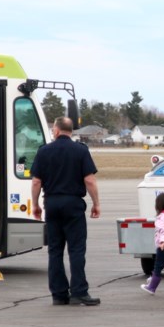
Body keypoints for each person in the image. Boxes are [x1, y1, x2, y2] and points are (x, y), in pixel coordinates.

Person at [31, 117, 101, 306]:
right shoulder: (81, 150)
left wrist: (35, 204)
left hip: (52, 203)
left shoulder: (43, 151)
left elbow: (36, 181)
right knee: (76, 249)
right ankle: (79, 291)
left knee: (55, 250)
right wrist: (96, 203)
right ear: (71, 131)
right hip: (73, 203)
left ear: (56, 131)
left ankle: (59, 294)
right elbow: (90, 180)